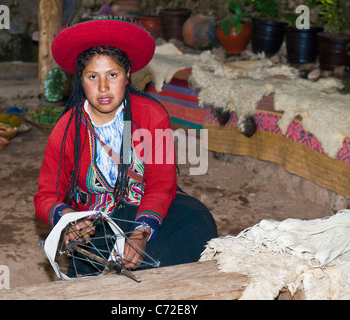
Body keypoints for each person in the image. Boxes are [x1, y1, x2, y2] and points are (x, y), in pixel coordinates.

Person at [34, 17, 217, 277]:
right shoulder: (66, 130)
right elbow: (45, 197)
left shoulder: (152, 115)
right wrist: (69, 220)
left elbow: (162, 183)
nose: (103, 87)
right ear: (80, 80)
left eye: (112, 74)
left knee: (196, 224)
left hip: (147, 210)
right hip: (98, 224)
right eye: (92, 76)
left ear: (128, 74)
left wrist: (142, 232)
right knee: (99, 262)